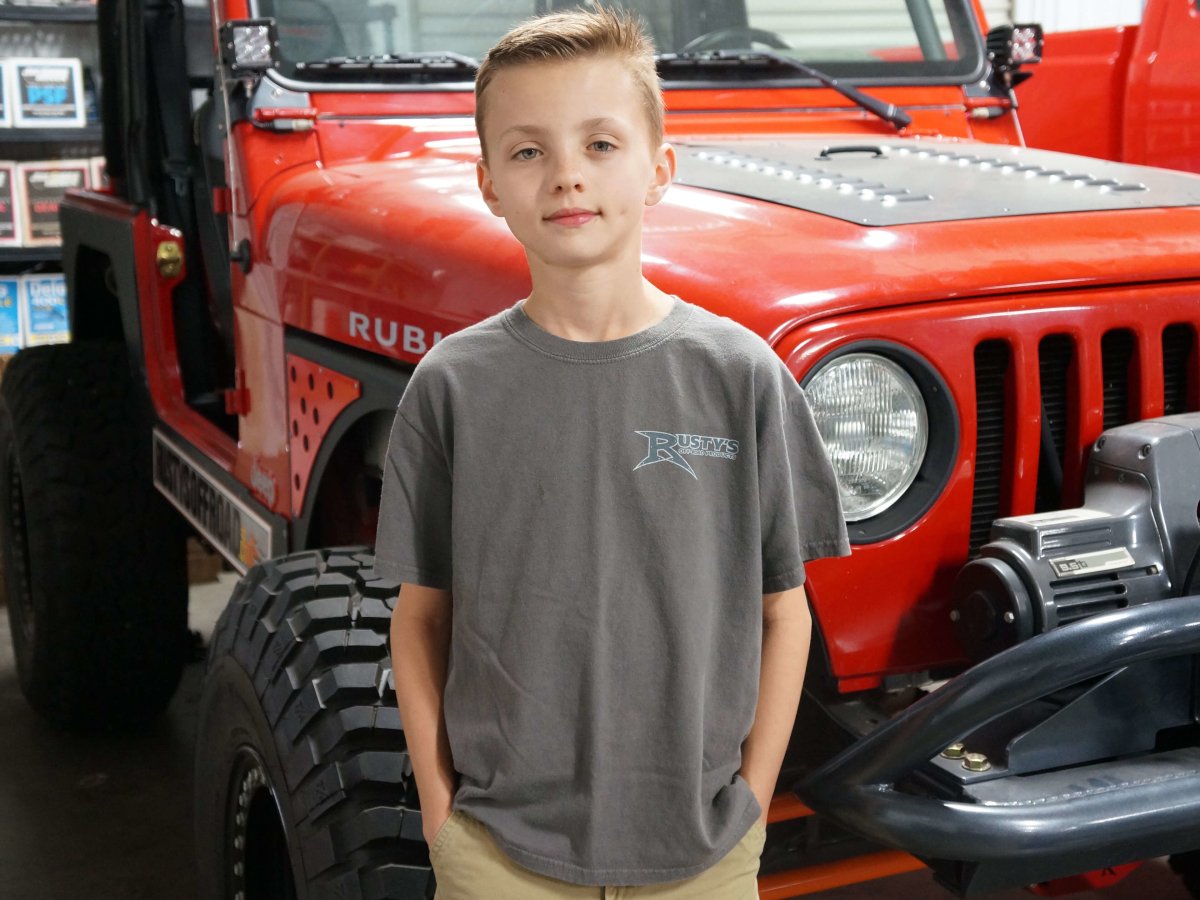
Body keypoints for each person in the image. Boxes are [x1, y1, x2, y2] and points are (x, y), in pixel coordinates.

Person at [374, 7, 851, 897]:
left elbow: (785, 613)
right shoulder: (452, 386)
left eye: (600, 144)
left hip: (704, 853)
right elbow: (420, 618)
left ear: (658, 168)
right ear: (488, 183)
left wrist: (751, 803)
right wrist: (444, 818)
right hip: (498, 856)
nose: (566, 175)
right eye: (528, 151)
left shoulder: (741, 375)